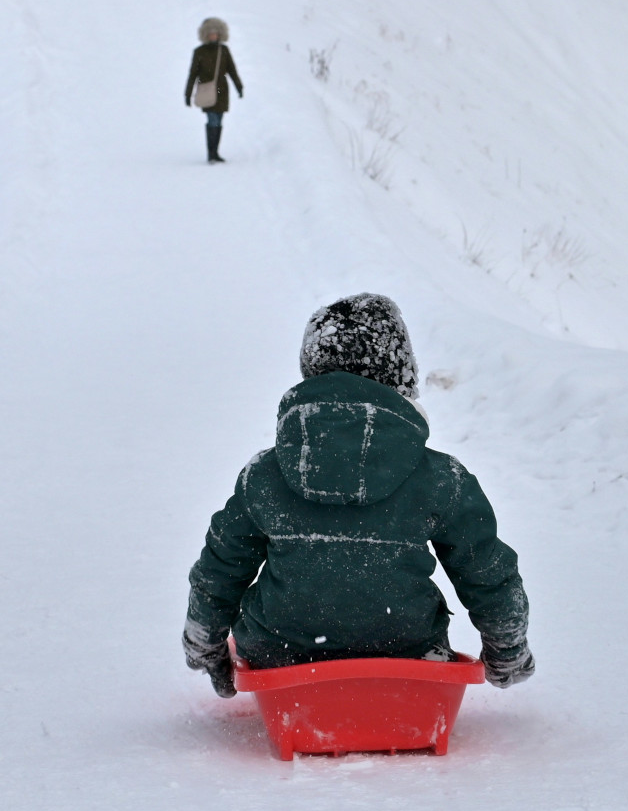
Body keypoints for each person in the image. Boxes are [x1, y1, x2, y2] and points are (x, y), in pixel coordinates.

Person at [182, 294, 535, 697]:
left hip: (281, 657)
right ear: (401, 376)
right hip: (407, 657)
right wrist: (507, 649)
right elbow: (487, 573)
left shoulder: (265, 475)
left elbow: (220, 569)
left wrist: (206, 645)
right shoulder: (440, 477)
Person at [184, 17, 244, 164]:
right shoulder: (199, 52)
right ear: (205, 35)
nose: (213, 35)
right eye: (210, 33)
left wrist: (239, 86)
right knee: (213, 120)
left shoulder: (224, 50)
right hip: (207, 90)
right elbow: (193, 74)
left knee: (219, 120)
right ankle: (211, 154)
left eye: (215, 33)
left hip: (222, 91)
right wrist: (188, 93)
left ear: (220, 34)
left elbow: (232, 69)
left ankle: (215, 152)